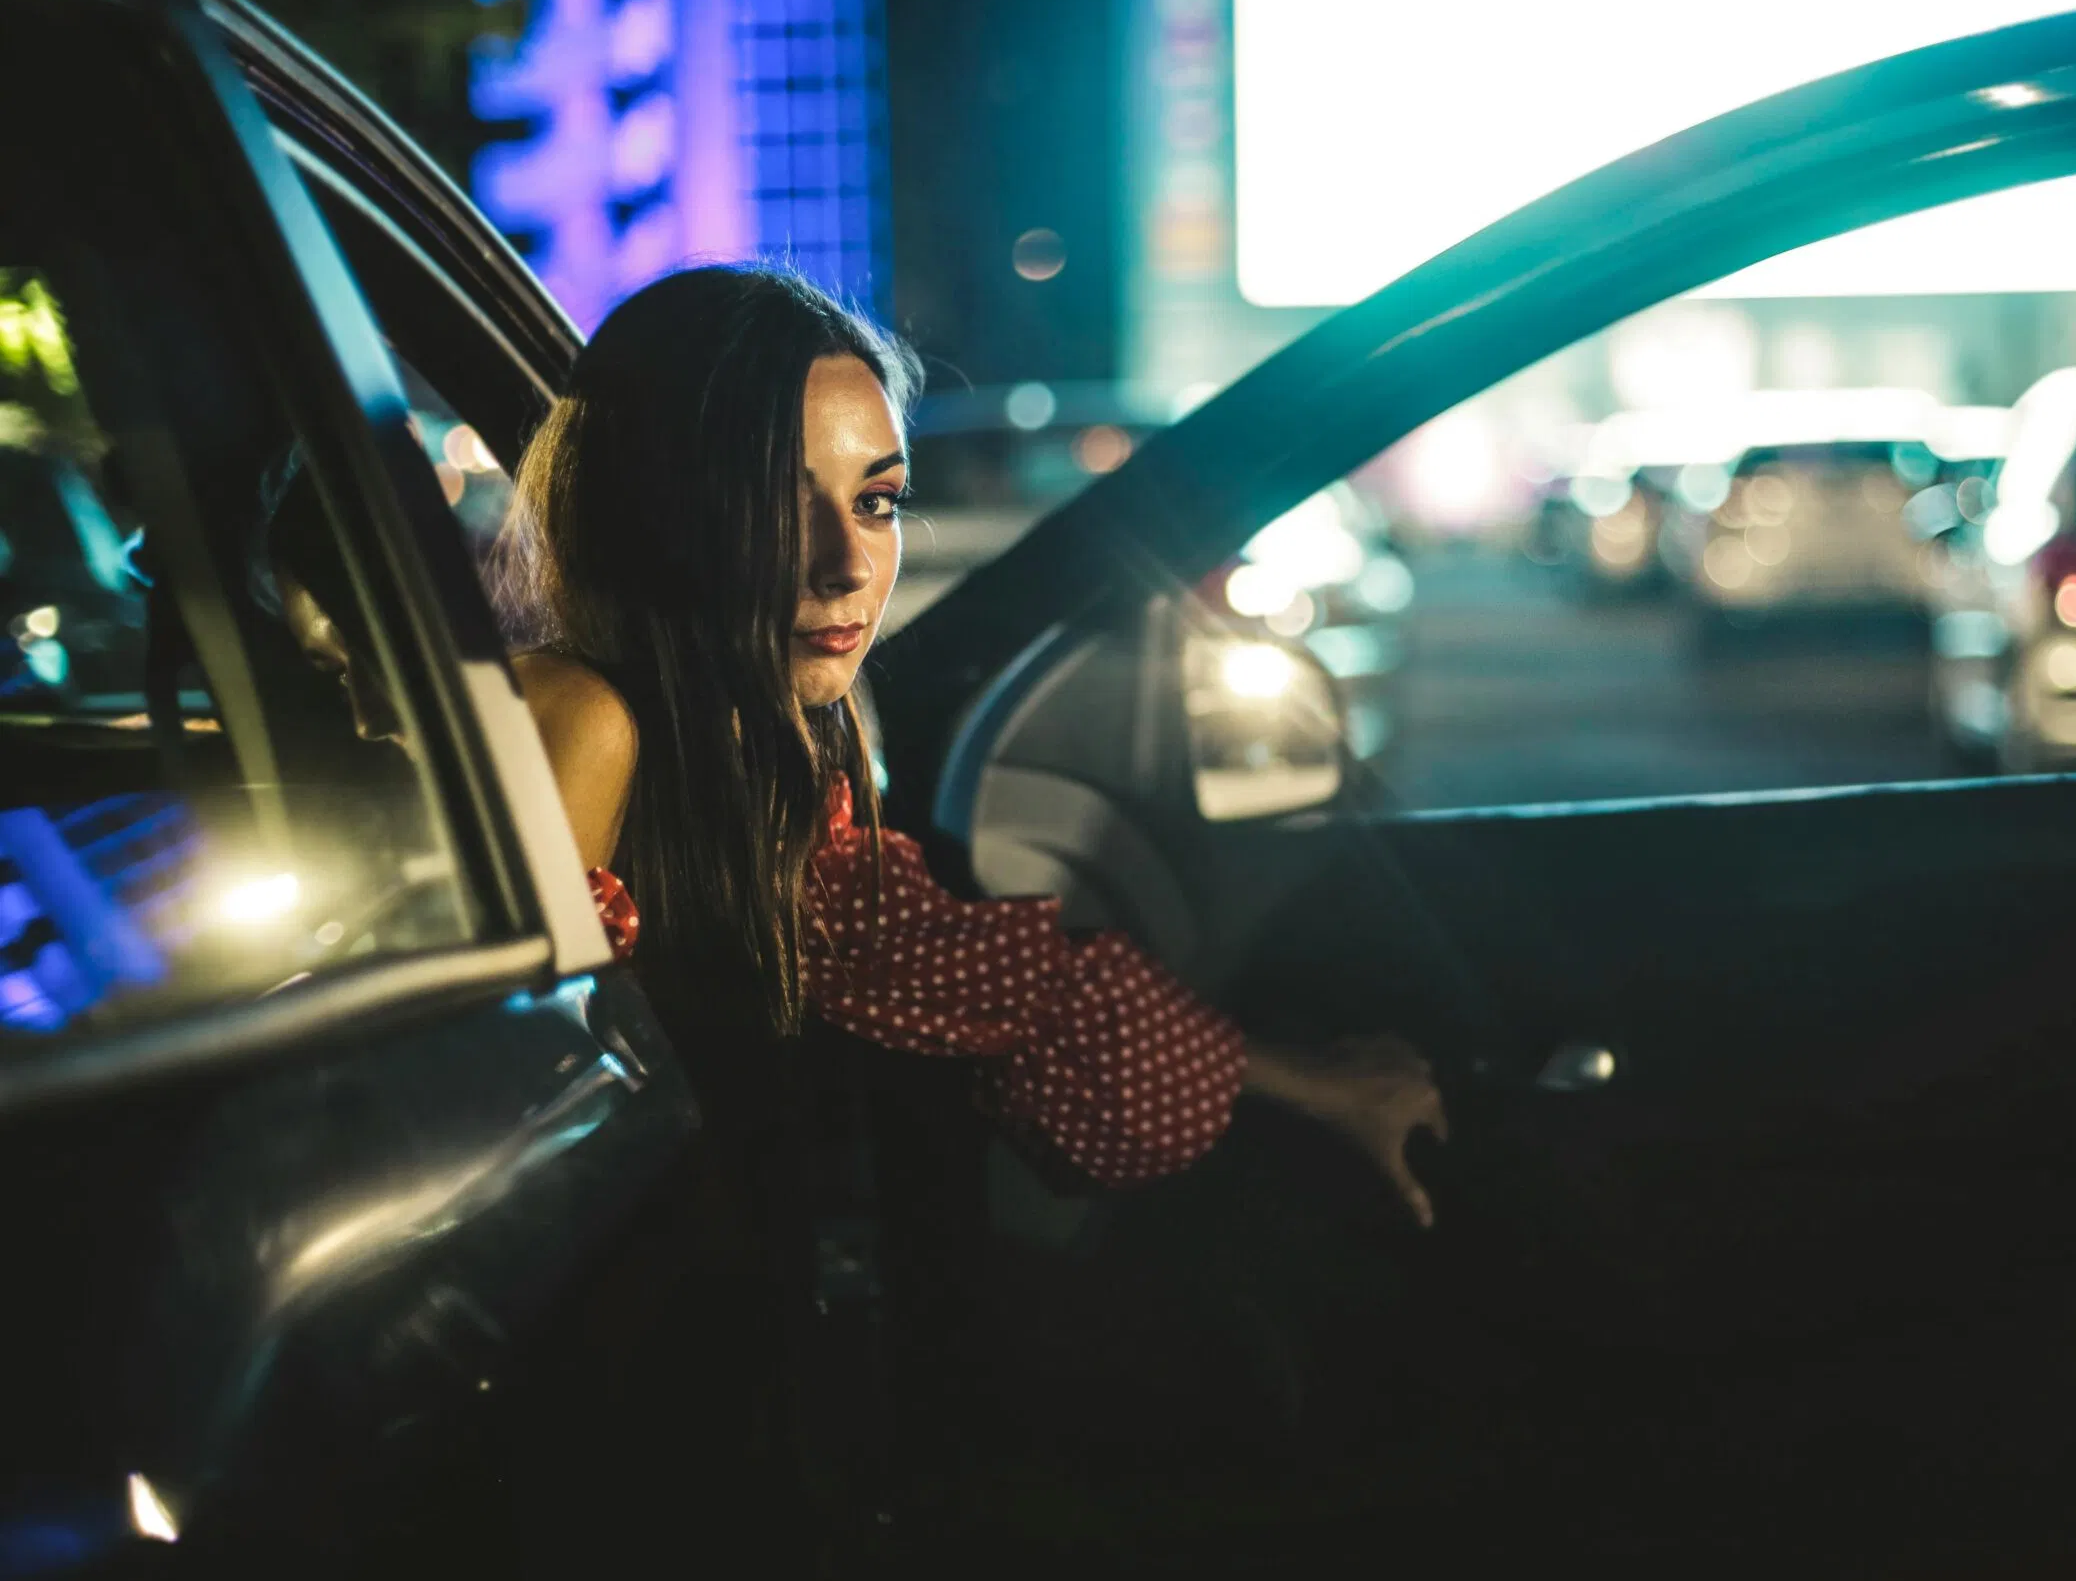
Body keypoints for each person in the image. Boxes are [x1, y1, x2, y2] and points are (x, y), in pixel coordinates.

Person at [489, 265, 1446, 1569]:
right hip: (597, 1443)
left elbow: (992, 982)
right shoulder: (584, 718)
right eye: (777, 501)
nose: (845, 563)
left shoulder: (775, 757)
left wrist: (1315, 1084)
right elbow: (492, 1114)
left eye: (876, 500)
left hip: (753, 1395)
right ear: (656, 507)